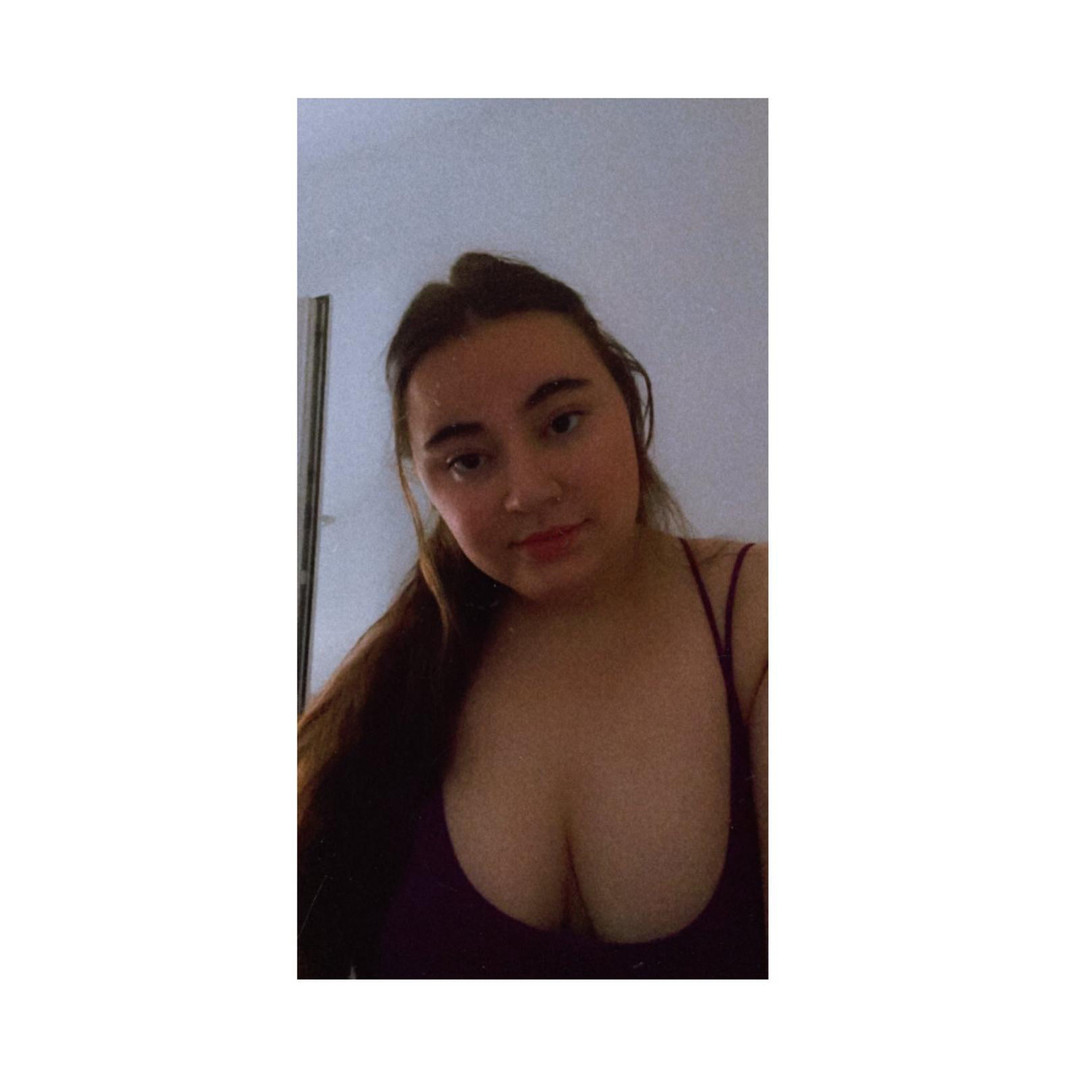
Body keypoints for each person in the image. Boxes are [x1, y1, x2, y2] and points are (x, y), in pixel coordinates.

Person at [298, 252, 768, 978]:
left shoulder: (759, 615)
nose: (528, 490)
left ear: (630, 406)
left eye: (562, 422)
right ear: (426, 484)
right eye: (467, 461)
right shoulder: (387, 678)